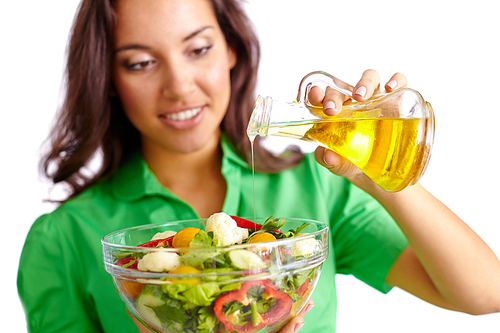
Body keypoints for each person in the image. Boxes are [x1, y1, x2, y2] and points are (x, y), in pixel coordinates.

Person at [17, 0, 500, 332]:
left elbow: (483, 293)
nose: (180, 86)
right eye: (141, 62)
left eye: (199, 49)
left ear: (231, 48)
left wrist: (372, 172)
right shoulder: (62, 239)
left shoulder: (314, 188)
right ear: (108, 78)